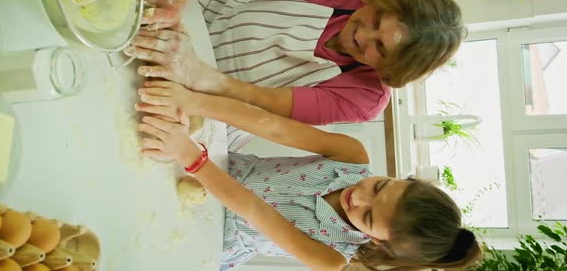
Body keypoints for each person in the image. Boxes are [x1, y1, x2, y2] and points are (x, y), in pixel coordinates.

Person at [128, 0, 466, 150]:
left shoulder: (364, 99)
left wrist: (197, 74)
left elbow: (267, 104)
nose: (363, 37)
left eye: (381, 49)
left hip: (210, 107)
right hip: (203, 21)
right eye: (376, 19)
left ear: (392, 70)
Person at [134, 80, 482, 271]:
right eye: (380, 186)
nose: (358, 197)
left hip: (205, 232)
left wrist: (190, 156)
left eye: (369, 215)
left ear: (380, 242)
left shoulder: (331, 257)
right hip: (209, 164)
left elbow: (255, 211)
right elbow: (270, 125)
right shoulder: (351, 157)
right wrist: (191, 100)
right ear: (400, 178)